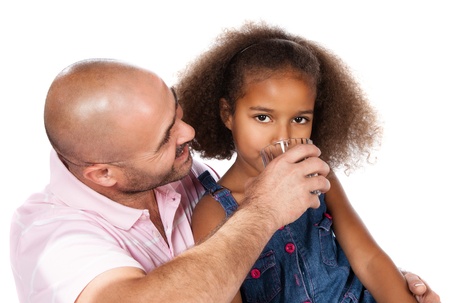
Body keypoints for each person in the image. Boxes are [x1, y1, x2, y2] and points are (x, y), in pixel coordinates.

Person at [9, 59, 437, 303]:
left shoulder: (183, 175)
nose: (189, 134)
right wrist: (264, 210)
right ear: (103, 174)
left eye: (176, 112)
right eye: (167, 137)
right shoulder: (50, 237)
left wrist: (377, 286)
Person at [176, 22, 440, 303]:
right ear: (228, 114)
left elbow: (369, 260)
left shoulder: (319, 177)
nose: (283, 136)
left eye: (299, 119)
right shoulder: (213, 212)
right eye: (263, 117)